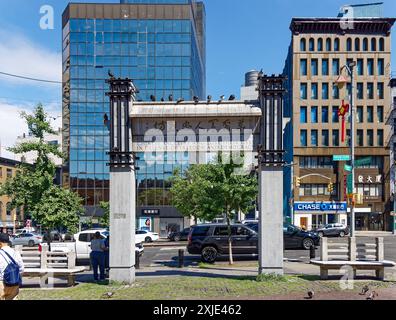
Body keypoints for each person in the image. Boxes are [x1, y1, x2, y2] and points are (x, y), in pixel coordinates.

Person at [0, 233, 24, 300]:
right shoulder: (15, 252)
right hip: (14, 283)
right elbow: (22, 268)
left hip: (2, 283)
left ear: (0, 243)